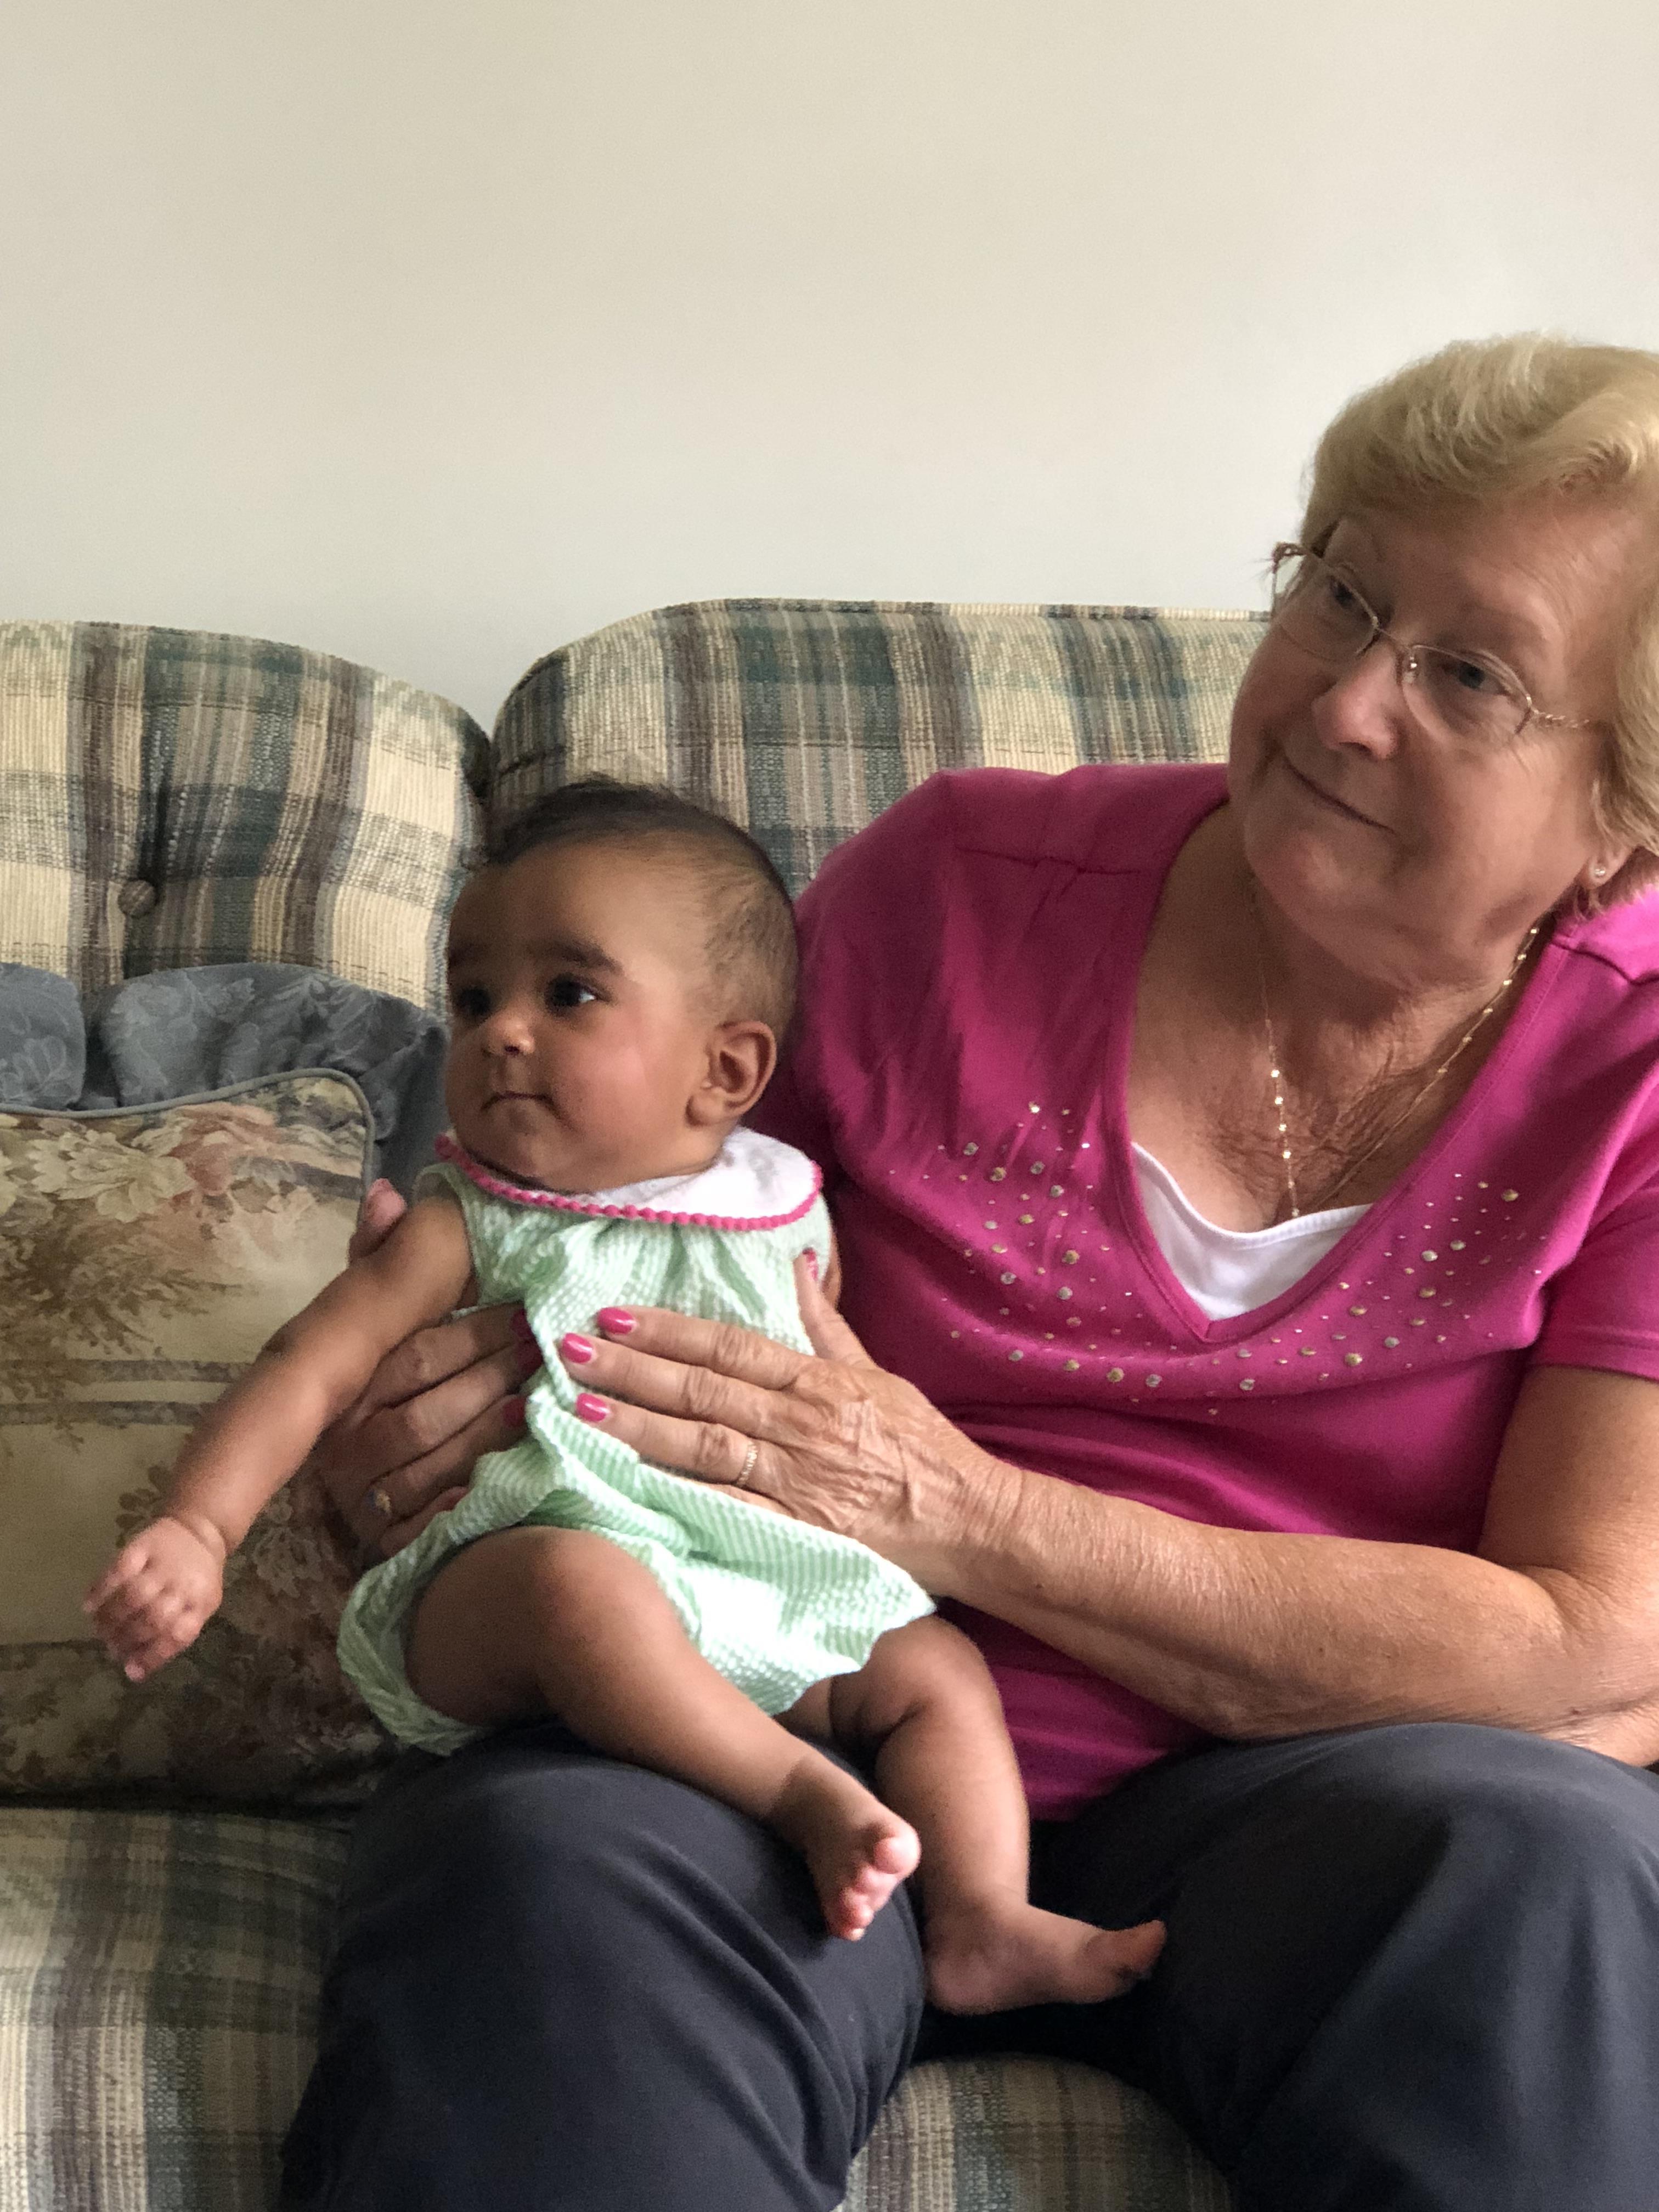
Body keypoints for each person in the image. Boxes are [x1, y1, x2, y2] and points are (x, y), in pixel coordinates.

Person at [283, 335, 1659, 2212]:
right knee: (547, 1882)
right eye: (1338, 591)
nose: (1341, 703)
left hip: (1318, 1800)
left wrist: (970, 1508)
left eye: (1469, 673)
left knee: (1541, 1864)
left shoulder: (1637, 1074)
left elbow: (1576, 1632)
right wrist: (416, 1428)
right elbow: (589, 1239)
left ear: (1623, 815)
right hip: (780, 1705)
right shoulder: (952, 894)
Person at [86, 780, 1160, 2014]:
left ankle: (984, 1921)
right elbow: (307, 1369)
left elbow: (835, 1387)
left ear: (729, 1069)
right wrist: (198, 1526)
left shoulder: (784, 1211)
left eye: (570, 994)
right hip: (503, 1591)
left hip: (741, 1582)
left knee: (935, 1666)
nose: (500, 1032)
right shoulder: (469, 1222)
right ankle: (799, 1795)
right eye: (476, 996)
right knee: (579, 1587)